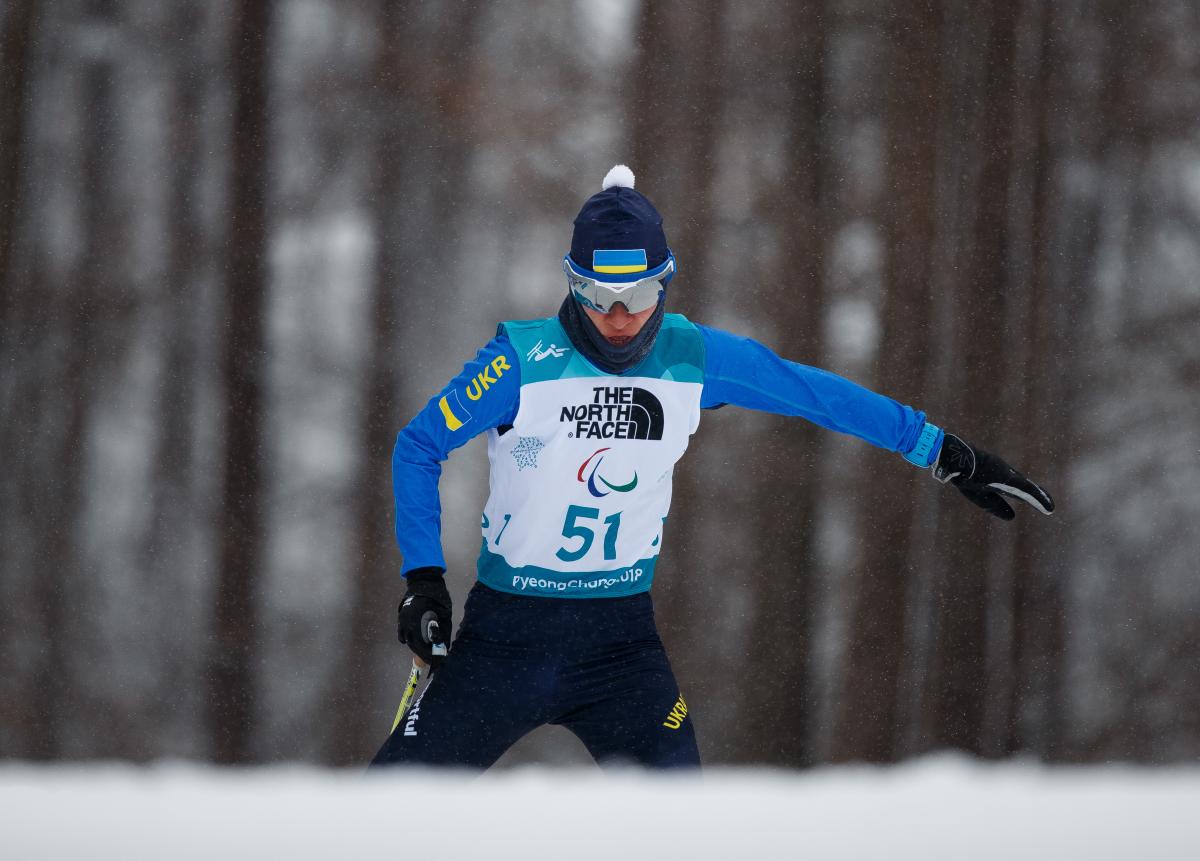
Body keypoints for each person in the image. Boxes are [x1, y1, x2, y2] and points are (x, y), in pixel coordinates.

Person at [369, 165, 1054, 770]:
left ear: (664, 286)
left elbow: (818, 394)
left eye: (636, 298)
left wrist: (945, 452)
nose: (616, 319)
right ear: (571, 285)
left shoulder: (692, 357)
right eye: (597, 296)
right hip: (505, 641)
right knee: (380, 819)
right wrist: (423, 579)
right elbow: (419, 444)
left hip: (620, 650)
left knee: (688, 830)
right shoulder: (520, 360)